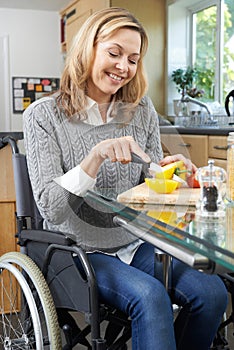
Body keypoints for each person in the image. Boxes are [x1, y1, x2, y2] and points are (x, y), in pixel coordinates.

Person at [23, 7, 227, 350]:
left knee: (212, 293)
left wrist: (175, 175)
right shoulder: (42, 116)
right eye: (114, 53)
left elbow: (150, 179)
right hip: (78, 250)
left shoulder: (140, 110)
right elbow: (53, 209)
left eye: (133, 59)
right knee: (150, 298)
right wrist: (95, 155)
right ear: (88, 49)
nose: (124, 67)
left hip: (137, 240)